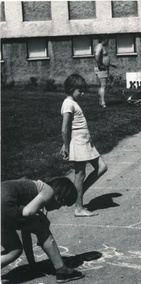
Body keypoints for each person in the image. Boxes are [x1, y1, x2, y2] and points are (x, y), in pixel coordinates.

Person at [1, 177, 84, 283]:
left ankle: (58, 270)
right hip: (5, 204)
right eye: (61, 204)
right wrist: (41, 218)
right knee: (41, 224)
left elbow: (25, 231)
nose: (58, 208)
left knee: (14, 250)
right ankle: (62, 270)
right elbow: (27, 212)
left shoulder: (33, 190)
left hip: (4, 204)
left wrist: (32, 264)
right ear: (59, 197)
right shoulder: (49, 190)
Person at [60, 74, 108, 217]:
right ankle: (79, 207)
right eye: (79, 90)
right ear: (71, 89)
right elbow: (65, 128)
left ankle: (77, 194)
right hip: (79, 142)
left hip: (86, 142)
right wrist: (66, 145)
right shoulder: (68, 104)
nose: (82, 93)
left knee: (102, 167)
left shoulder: (72, 103)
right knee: (80, 175)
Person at [94, 37, 116, 108]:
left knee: (101, 86)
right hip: (101, 69)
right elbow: (97, 55)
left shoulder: (101, 46)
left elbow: (103, 58)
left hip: (103, 68)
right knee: (103, 85)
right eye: (107, 40)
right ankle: (103, 103)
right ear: (104, 40)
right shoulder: (99, 46)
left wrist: (111, 64)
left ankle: (101, 101)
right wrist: (100, 65)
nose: (108, 42)